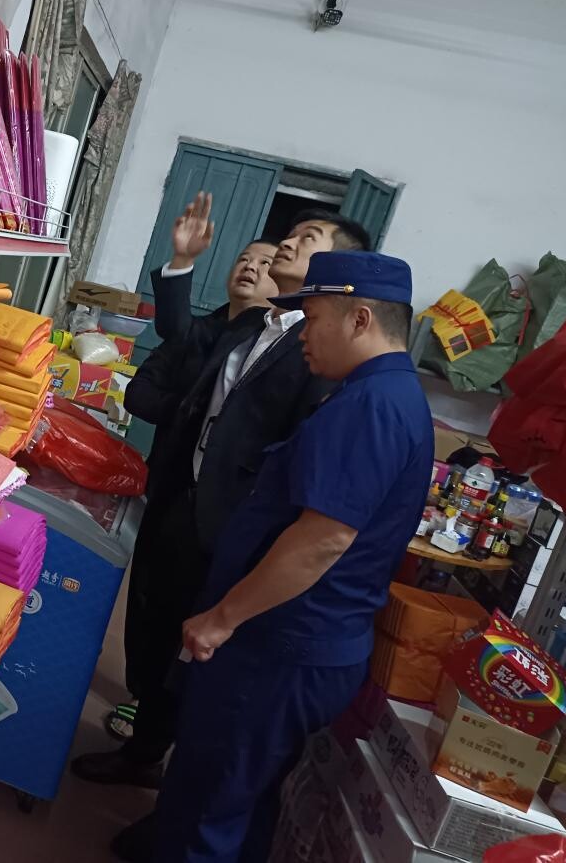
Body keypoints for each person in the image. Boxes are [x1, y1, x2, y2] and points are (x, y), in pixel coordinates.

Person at [73, 194, 371, 794]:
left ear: (339, 271)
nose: (286, 243)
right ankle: (144, 750)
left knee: (196, 654)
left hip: (233, 527)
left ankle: (165, 773)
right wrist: (182, 264)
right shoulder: (255, 326)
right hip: (183, 502)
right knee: (157, 626)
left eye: (307, 239)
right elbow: (181, 341)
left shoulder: (318, 355)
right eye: (288, 235)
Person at [149, 250, 433, 863]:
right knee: (238, 800)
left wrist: (223, 618)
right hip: (292, 642)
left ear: (360, 319)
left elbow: (323, 539)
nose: (303, 333)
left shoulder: (372, 406)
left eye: (314, 317)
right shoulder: (378, 395)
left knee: (212, 804)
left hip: (280, 647)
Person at [104, 233, 278, 748]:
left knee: (183, 612)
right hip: (167, 485)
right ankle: (144, 701)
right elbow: (139, 392)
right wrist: (195, 411)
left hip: (215, 508)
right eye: (244, 258)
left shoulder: (272, 347)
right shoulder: (203, 329)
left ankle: (157, 723)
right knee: (146, 599)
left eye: (266, 263)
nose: (250, 267)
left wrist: (190, 410)